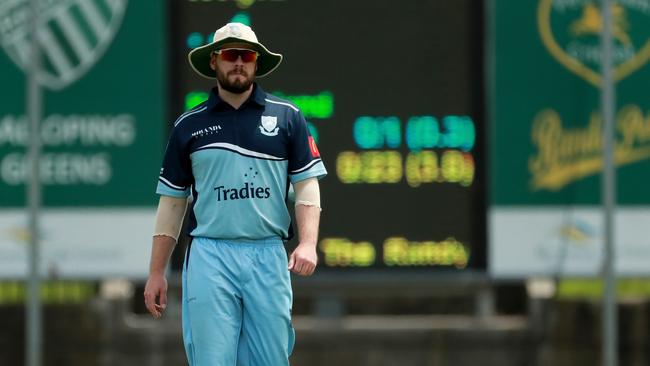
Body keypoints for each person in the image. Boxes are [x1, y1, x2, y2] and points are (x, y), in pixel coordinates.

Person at [143, 22, 326, 365]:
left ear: (256, 62)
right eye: (230, 54)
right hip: (210, 254)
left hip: (267, 253)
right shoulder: (189, 125)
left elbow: (307, 185)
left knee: (271, 360)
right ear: (214, 61)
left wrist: (308, 243)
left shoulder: (288, 117)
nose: (239, 62)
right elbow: (172, 202)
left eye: (246, 55)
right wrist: (156, 272)